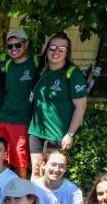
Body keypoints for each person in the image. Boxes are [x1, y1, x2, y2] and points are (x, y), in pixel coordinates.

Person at [28, 32, 88, 178]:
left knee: (50, 175)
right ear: (47, 49)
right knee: (36, 171)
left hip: (56, 135)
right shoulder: (42, 70)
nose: (56, 52)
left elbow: (81, 107)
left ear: (67, 53)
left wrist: (70, 134)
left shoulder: (72, 74)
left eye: (61, 49)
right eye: (53, 47)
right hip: (36, 132)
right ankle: (35, 201)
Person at [0, 29, 38, 179]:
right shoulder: (7, 64)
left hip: (21, 120)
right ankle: (4, 187)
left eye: (18, 45)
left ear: (26, 44)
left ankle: (23, 193)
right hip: (3, 117)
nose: (14, 49)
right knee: (2, 156)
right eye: (10, 46)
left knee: (20, 159)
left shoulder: (35, 62)